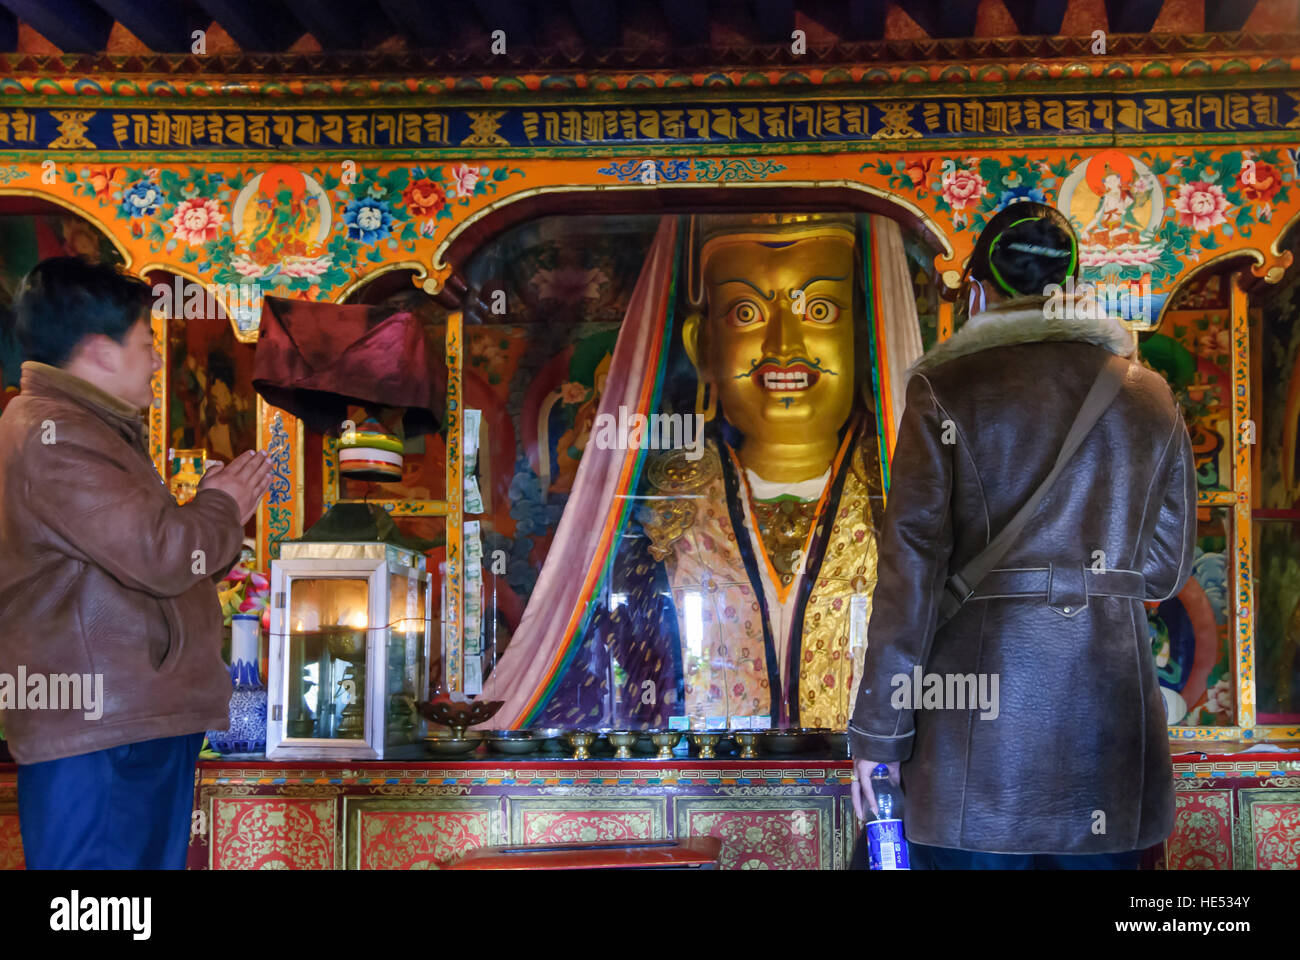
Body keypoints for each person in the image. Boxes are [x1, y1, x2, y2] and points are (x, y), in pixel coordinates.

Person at [848, 203, 1195, 869]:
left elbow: (910, 577)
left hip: (973, 758)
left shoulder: (944, 388)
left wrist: (879, 735)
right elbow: (1163, 573)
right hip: (1109, 740)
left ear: (979, 289)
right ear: (1072, 285)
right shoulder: (1150, 397)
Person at [0, 256, 272, 869]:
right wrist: (223, 504)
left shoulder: (82, 427)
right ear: (99, 352)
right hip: (102, 722)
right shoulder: (56, 433)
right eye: (146, 343)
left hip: (123, 715)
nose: (155, 360)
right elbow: (161, 554)